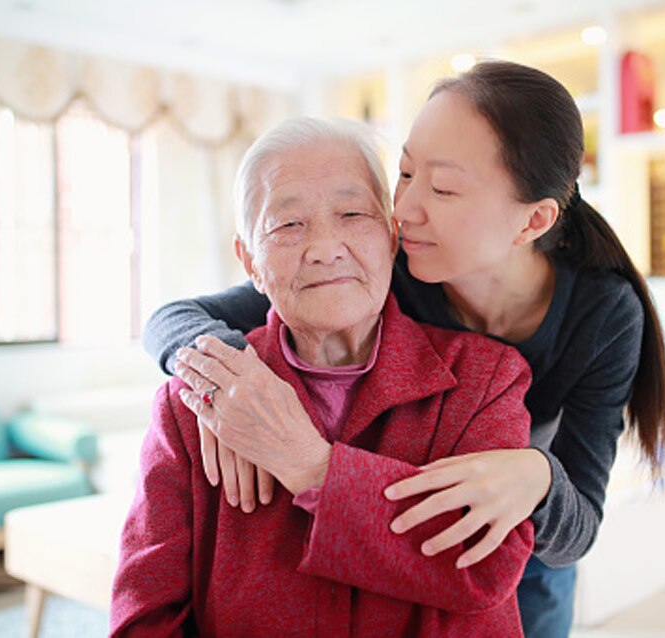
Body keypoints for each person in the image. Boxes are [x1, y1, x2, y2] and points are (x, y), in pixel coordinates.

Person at [144, 61, 665, 638]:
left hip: (524, 526)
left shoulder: (601, 317)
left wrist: (540, 478)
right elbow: (176, 319)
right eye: (404, 173)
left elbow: (577, 528)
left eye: (443, 187)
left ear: (534, 220)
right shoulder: (385, 262)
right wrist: (234, 381)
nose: (404, 209)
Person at [111, 117, 538, 637]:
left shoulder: (485, 380)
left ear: (391, 235)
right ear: (249, 260)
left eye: (353, 213)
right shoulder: (189, 404)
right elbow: (145, 619)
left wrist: (311, 466)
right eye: (288, 225)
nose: (324, 247)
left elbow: (482, 567)